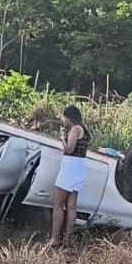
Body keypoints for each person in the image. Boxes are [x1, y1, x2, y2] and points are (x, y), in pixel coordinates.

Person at [49, 106, 91, 247]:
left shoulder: (75, 129)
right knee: (71, 206)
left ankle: (54, 238)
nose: (63, 119)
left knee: (58, 204)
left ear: (69, 117)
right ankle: (68, 239)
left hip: (70, 169)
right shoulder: (84, 131)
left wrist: (62, 139)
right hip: (79, 169)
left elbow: (69, 149)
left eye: (64, 117)